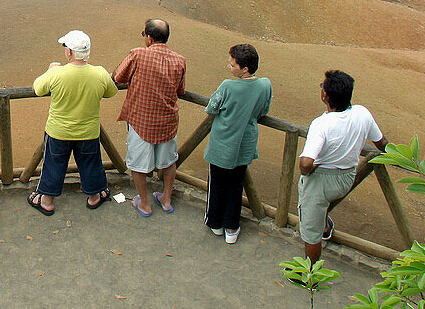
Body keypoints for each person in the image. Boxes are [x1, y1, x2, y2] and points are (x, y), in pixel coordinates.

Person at [297, 70, 388, 262]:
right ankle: (325, 225)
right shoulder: (363, 113)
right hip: (347, 178)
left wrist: (308, 170)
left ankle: (310, 275)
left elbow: (306, 163)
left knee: (311, 233)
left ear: (325, 96)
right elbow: (382, 143)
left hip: (321, 182)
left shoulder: (321, 124)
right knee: (320, 209)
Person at [28, 30, 118, 216]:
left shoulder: (57, 74)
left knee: (53, 164)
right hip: (88, 131)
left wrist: (50, 70)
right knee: (91, 164)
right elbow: (111, 92)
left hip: (58, 131)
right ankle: (94, 197)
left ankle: (46, 201)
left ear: (69, 52)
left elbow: (37, 88)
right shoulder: (99, 73)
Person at [112, 18, 186, 218]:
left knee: (138, 165)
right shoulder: (180, 60)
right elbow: (181, 89)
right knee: (169, 162)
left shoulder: (138, 54)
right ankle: (166, 198)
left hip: (141, 120)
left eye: (143, 34)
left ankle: (144, 203)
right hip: (168, 122)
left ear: (150, 38)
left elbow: (118, 77)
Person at [203, 44, 273, 244]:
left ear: (245, 69)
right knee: (236, 185)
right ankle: (232, 227)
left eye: (232, 64)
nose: (229, 67)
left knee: (216, 183)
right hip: (245, 143)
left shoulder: (228, 86)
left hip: (223, 143)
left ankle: (215, 223)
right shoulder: (265, 85)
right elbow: (264, 110)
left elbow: (211, 109)